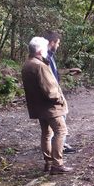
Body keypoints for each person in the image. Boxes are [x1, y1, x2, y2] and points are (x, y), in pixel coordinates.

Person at [21, 37, 73, 174]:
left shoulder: (27, 64)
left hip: (39, 107)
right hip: (50, 107)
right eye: (44, 48)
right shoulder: (40, 66)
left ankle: (49, 163)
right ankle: (57, 164)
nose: (46, 51)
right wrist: (59, 99)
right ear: (39, 50)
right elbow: (50, 90)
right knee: (60, 132)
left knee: (46, 133)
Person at [43, 30, 77, 154]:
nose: (58, 45)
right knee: (59, 124)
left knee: (60, 120)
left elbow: (53, 73)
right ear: (52, 42)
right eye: (57, 43)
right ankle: (58, 148)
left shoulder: (49, 56)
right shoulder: (45, 57)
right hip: (52, 94)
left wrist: (67, 72)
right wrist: (55, 95)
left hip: (55, 91)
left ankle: (60, 144)